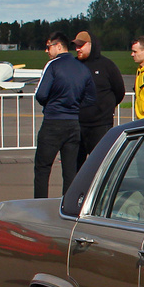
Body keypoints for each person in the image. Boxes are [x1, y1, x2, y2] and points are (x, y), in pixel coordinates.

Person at [33, 32, 95, 198]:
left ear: (58, 46)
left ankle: (40, 204)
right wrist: (74, 106)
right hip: (73, 123)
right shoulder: (82, 69)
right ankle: (68, 205)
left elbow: (40, 94)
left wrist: (53, 103)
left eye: (48, 47)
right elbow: (90, 98)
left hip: (53, 122)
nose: (47, 51)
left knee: (42, 168)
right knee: (70, 170)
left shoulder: (52, 65)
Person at [72, 31, 126, 169]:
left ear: (91, 45)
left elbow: (119, 91)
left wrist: (105, 108)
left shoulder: (107, 66)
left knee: (100, 166)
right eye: (76, 46)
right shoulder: (73, 65)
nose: (77, 49)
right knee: (74, 167)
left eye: (81, 46)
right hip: (76, 125)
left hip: (100, 125)